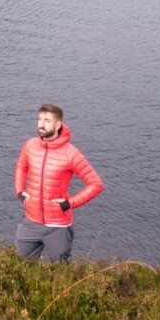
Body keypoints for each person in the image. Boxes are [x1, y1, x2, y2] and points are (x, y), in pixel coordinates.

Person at [14, 103, 103, 263]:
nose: (41, 124)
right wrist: (20, 192)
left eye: (47, 120)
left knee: (60, 273)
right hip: (30, 223)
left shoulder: (71, 153)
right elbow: (21, 167)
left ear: (58, 124)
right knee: (17, 268)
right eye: (39, 119)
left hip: (58, 227)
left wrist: (69, 203)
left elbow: (96, 184)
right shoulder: (30, 146)